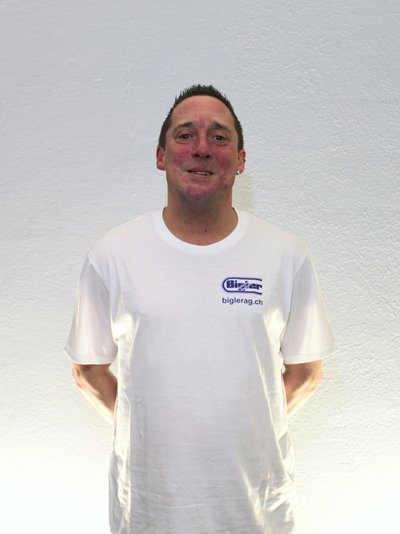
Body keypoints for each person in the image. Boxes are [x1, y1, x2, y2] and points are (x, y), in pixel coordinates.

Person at [65, 84, 336, 534]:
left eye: (220, 137)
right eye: (185, 134)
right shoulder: (113, 255)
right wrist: (153, 430)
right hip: (149, 509)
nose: (202, 148)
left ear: (241, 160)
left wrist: (243, 427)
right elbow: (88, 371)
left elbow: (306, 371)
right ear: (161, 155)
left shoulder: (286, 255)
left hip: (256, 511)